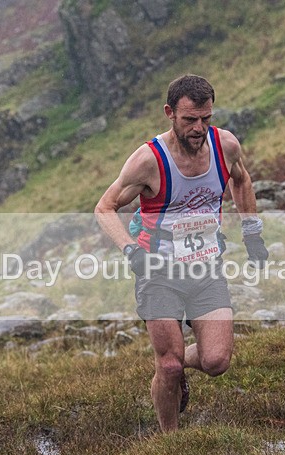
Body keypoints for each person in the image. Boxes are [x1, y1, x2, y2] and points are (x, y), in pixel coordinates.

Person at [95, 74, 269, 432]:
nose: (199, 128)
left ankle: (174, 367)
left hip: (206, 267)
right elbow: (104, 207)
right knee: (169, 365)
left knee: (217, 361)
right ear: (170, 114)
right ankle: (171, 440)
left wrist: (252, 234)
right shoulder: (148, 161)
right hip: (158, 271)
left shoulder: (225, 146)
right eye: (190, 119)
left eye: (206, 118)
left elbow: (242, 179)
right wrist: (131, 253)